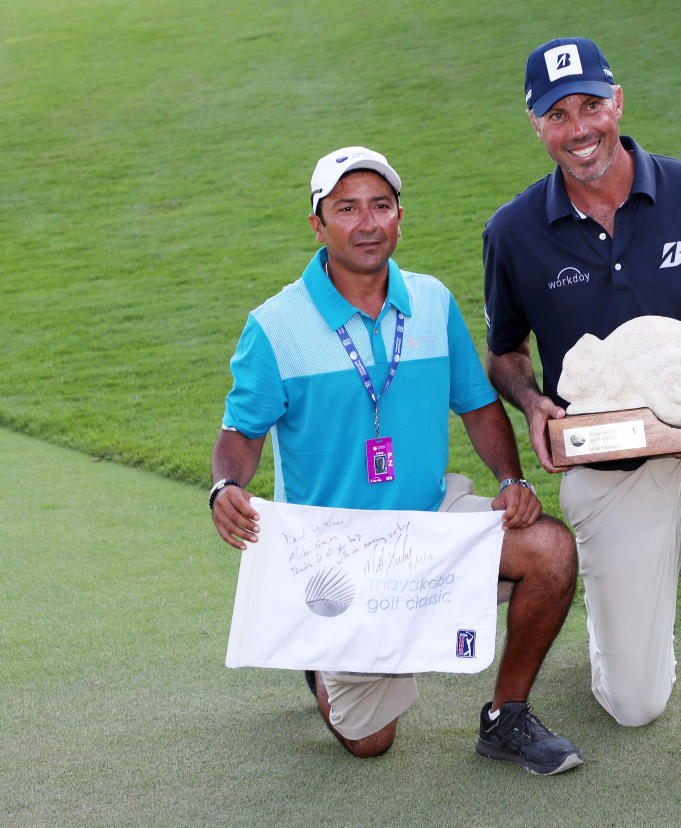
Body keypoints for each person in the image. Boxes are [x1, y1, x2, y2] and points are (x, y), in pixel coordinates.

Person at [482, 39, 681, 794]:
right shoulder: (513, 230)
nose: (579, 127)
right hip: (606, 462)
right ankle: (617, 635)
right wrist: (531, 402)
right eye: (558, 114)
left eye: (591, 105)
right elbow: (504, 352)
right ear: (536, 124)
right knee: (634, 705)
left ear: (617, 103)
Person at [210, 146, 583, 775]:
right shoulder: (275, 325)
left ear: (400, 218)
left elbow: (477, 405)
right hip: (337, 549)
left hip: (429, 519)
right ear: (318, 224)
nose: (366, 222)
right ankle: (319, 659)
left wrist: (511, 479)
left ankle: (507, 715)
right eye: (346, 208)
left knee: (549, 550)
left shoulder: (432, 302)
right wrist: (225, 486)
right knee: (371, 741)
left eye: (380, 206)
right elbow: (240, 433)